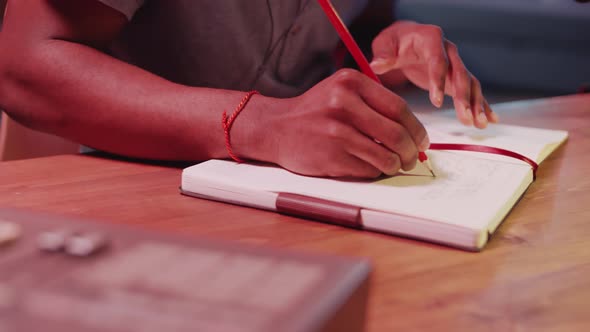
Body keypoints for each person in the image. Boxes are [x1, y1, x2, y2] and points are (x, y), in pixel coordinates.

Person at [0, 0, 497, 178]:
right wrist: (262, 125)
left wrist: (389, 51)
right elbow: (24, 65)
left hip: (307, 192)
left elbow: (354, 27)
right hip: (146, 193)